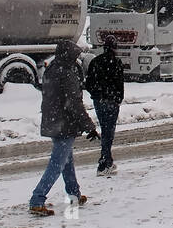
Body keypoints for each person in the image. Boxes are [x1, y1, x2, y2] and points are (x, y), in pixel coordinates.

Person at [29, 39, 98, 217]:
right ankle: (37, 199)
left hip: (53, 120)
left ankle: (74, 194)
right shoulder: (67, 72)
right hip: (64, 123)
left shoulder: (52, 68)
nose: (77, 60)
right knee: (57, 163)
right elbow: (74, 103)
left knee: (66, 161)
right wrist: (89, 126)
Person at [84, 34, 125, 175]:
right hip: (112, 101)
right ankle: (104, 163)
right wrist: (118, 98)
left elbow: (88, 83)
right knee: (109, 132)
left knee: (105, 129)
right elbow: (120, 84)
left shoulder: (95, 62)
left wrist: (96, 94)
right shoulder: (116, 63)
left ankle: (107, 161)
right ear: (114, 48)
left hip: (99, 101)